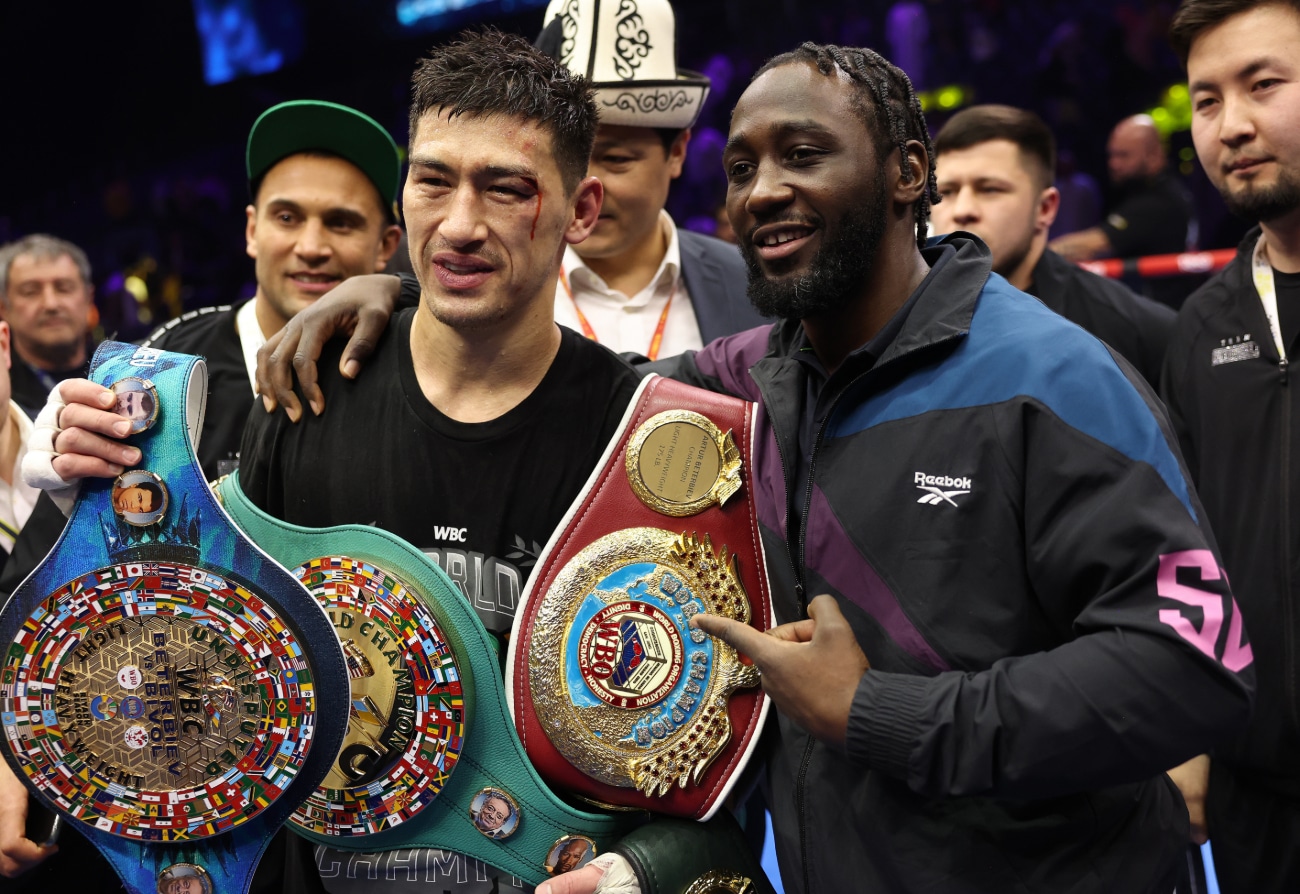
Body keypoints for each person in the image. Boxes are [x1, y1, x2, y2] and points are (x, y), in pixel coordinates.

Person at [249, 40, 1255, 894]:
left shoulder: (1052, 376)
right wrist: (384, 294)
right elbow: (526, 361)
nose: (765, 189)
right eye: (741, 167)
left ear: (909, 172)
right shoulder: (740, 384)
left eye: (803, 154)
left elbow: (1195, 667)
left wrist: (877, 714)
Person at [1160, 2, 1300, 890]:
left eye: (1263, 85)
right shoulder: (1202, 326)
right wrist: (1190, 731)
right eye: (1206, 101)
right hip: (1258, 795)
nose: (1231, 126)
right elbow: (1184, 544)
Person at [140, 99, 403, 480]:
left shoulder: (420, 362)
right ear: (252, 231)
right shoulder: (165, 366)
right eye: (287, 217)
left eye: (341, 223)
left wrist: (405, 289)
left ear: (385, 246)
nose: (311, 247)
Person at [536, 0, 765, 356]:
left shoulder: (752, 286)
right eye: (564, 160)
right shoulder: (499, 288)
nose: (584, 190)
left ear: (677, 152)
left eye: (615, 159)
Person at [930, 104, 1176, 386]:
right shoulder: (903, 320)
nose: (962, 210)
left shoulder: (1130, 330)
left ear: (1044, 208)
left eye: (989, 189)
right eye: (946, 192)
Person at [1050, 115, 1199, 305]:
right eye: (1111, 155)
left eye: (1123, 155)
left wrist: (1033, 254)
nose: (1114, 164)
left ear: (1153, 156)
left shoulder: (1158, 202)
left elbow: (1090, 245)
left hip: (1159, 308)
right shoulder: (1162, 190)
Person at [0, 235, 97, 418]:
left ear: (88, 299)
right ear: (4, 308)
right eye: (30, 291)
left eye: (64, 288)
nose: (51, 304)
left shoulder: (124, 374)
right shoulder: (3, 395)